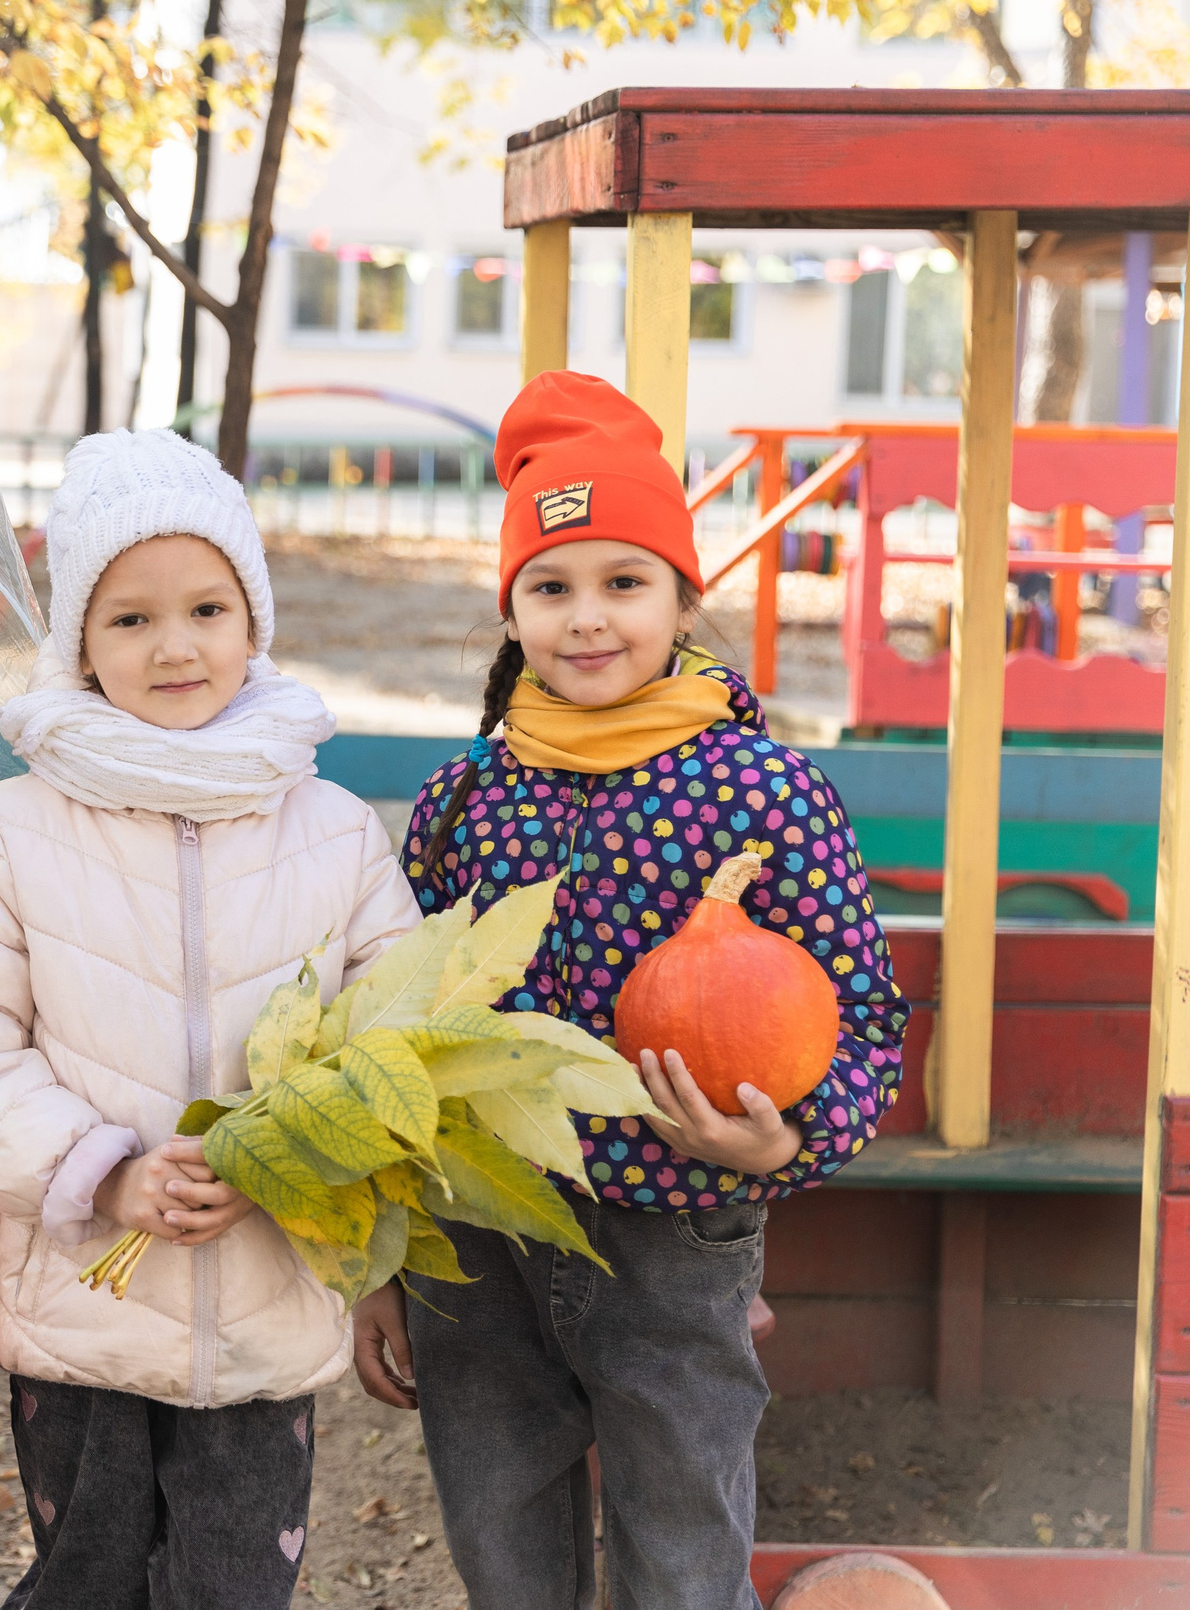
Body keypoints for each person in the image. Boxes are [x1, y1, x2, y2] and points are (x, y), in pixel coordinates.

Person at [354, 371, 909, 1610]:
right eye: (549, 587)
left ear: (680, 597)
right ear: (510, 610)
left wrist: (785, 1140)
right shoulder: (463, 799)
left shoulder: (763, 792)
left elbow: (863, 1015)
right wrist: (385, 1258)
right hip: (478, 1226)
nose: (586, 619)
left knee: (680, 1536)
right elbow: (390, 1026)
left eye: (623, 582)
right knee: (502, 1536)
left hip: (672, 1218)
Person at [0, 429, 421, 1610]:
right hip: (83, 1300)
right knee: (85, 1581)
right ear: (78, 645)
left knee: (234, 1590)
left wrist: (286, 1162)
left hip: (264, 1298)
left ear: (254, 624)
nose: (174, 645)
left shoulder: (334, 830)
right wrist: (105, 1174)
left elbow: (390, 1041)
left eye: (205, 608)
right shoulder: (14, 832)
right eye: (128, 618)